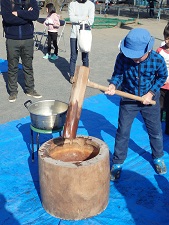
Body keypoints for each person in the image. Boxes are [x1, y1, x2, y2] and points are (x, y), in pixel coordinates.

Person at [105, 28, 168, 181]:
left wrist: (151, 93)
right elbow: (118, 75)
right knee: (122, 131)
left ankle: (158, 157)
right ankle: (118, 162)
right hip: (129, 99)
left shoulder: (157, 59)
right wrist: (114, 85)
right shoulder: (122, 58)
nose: (135, 59)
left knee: (155, 131)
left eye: (138, 56)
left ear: (148, 49)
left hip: (149, 100)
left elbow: (163, 77)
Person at [1, 0, 42, 103]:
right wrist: (27, 16)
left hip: (28, 39)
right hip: (12, 39)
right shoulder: (5, 1)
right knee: (12, 66)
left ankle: (30, 89)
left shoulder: (30, 0)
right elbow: (7, 18)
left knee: (28, 65)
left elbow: (35, 15)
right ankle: (13, 92)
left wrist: (18, 13)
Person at [68, 0, 95, 83]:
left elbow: (91, 21)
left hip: (85, 34)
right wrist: (84, 18)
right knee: (73, 56)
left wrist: (77, 18)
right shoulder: (72, 4)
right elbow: (71, 18)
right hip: (74, 34)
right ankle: (72, 75)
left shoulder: (90, 5)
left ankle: (85, 77)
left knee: (85, 57)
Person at [157, 22, 169, 135]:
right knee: (159, 108)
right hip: (161, 86)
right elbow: (155, 67)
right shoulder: (159, 51)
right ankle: (157, 128)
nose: (168, 41)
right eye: (166, 38)